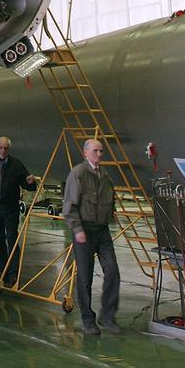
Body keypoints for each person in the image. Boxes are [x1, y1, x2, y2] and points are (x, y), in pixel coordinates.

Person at [62, 138, 120, 336]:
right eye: (95, 151)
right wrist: (77, 229)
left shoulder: (105, 176)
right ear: (85, 153)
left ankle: (108, 316)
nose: (99, 155)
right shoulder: (78, 174)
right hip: (84, 230)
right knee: (85, 276)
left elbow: (111, 199)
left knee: (112, 270)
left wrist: (112, 212)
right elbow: (69, 205)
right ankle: (88, 320)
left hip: (102, 230)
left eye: (101, 151)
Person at [0, 136, 37, 284]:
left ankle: (13, 273)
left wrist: (31, 182)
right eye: (1, 148)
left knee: (12, 239)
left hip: (11, 208)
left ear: (9, 149)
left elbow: (27, 183)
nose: (3, 151)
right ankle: (3, 271)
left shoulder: (16, 164)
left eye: (6, 148)